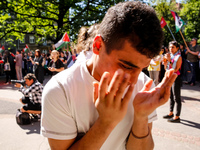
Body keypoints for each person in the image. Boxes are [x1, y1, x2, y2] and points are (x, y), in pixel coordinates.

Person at [41, 2, 177, 150]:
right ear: (98, 45)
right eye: (126, 66)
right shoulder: (60, 90)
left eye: (142, 69)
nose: (133, 80)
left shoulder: (143, 84)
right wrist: (106, 123)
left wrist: (141, 117)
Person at [163, 41, 182, 123]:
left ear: (177, 48)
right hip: (170, 78)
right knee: (171, 96)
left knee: (176, 97)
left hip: (176, 78)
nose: (171, 49)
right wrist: (165, 62)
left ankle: (177, 116)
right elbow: (166, 68)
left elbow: (175, 69)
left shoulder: (178, 57)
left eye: (173, 47)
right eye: (170, 47)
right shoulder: (171, 55)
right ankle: (171, 112)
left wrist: (169, 60)